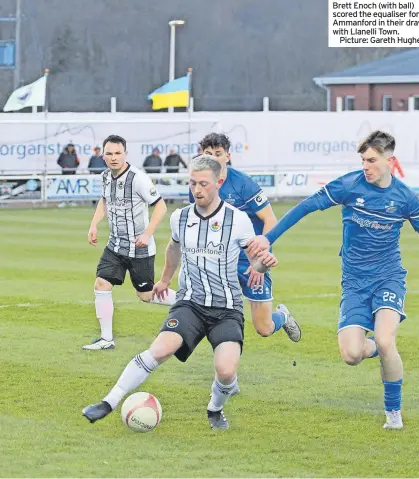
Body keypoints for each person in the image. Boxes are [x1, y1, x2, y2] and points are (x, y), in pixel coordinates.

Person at [247, 130, 419, 430]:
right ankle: (379, 350)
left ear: (390, 161)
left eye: (372, 160)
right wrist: (268, 238)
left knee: (386, 339)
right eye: (363, 160)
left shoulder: (406, 198)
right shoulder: (348, 185)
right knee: (352, 355)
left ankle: (393, 415)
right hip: (354, 283)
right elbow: (305, 207)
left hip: (389, 279)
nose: (366, 165)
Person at [82, 155, 278, 429]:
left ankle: (215, 407)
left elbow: (254, 258)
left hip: (226, 309)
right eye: (193, 183)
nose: (197, 190)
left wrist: (262, 264)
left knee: (226, 371)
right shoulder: (180, 217)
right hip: (190, 304)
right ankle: (108, 402)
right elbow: (173, 248)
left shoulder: (239, 220)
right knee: (159, 349)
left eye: (204, 184)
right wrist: (163, 279)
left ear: (219, 182)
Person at [190, 133, 301, 342]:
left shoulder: (243, 183)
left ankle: (283, 316)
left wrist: (259, 260)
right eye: (207, 154)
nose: (213, 158)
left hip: (249, 261)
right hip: (219, 260)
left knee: (264, 328)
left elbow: (270, 219)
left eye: (218, 153)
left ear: (227, 156)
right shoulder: (198, 185)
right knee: (213, 317)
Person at [83, 135, 176, 351]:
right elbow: (105, 201)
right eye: (109, 153)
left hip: (139, 247)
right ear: (103, 155)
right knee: (101, 284)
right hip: (115, 246)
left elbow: (160, 206)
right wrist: (94, 225)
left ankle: (188, 301)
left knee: (145, 294)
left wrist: (147, 234)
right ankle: (106, 339)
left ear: (125, 154)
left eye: (118, 153)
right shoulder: (105, 176)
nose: (114, 158)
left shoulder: (138, 178)